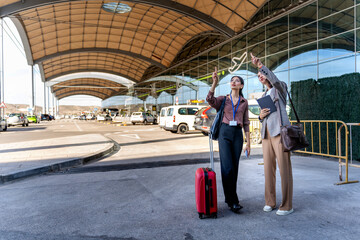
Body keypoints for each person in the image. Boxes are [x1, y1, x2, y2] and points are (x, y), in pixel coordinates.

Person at [250, 52, 294, 216]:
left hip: (280, 132)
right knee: (269, 170)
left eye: (262, 74)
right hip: (266, 134)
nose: (260, 76)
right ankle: (270, 201)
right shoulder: (264, 95)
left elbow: (274, 80)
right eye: (259, 75)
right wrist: (260, 116)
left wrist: (260, 66)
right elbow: (264, 115)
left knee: (284, 170)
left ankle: (287, 205)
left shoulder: (279, 88)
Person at [206, 66, 251, 213]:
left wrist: (248, 143)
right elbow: (210, 100)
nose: (233, 82)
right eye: (232, 80)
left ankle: (231, 199)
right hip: (225, 133)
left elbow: (246, 123)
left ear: (241, 85)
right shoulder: (224, 99)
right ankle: (233, 200)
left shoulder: (244, 102)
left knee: (235, 168)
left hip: (237, 134)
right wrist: (214, 83)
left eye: (237, 80)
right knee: (227, 167)